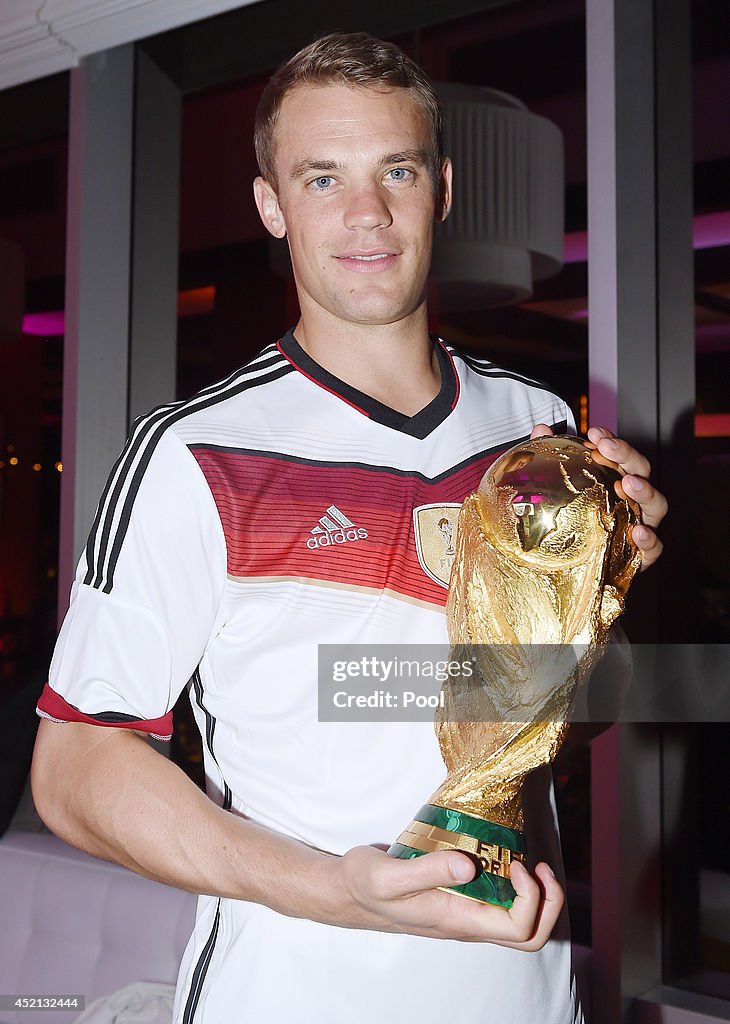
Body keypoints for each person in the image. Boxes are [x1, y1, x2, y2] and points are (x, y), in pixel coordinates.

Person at [31, 32, 667, 1024]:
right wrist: (341, 890)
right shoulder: (196, 453)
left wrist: (603, 597)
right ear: (271, 206)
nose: (365, 214)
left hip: (527, 995)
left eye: (396, 170)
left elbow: (563, 712)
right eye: (322, 177)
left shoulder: (535, 426)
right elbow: (74, 768)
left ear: (442, 188)